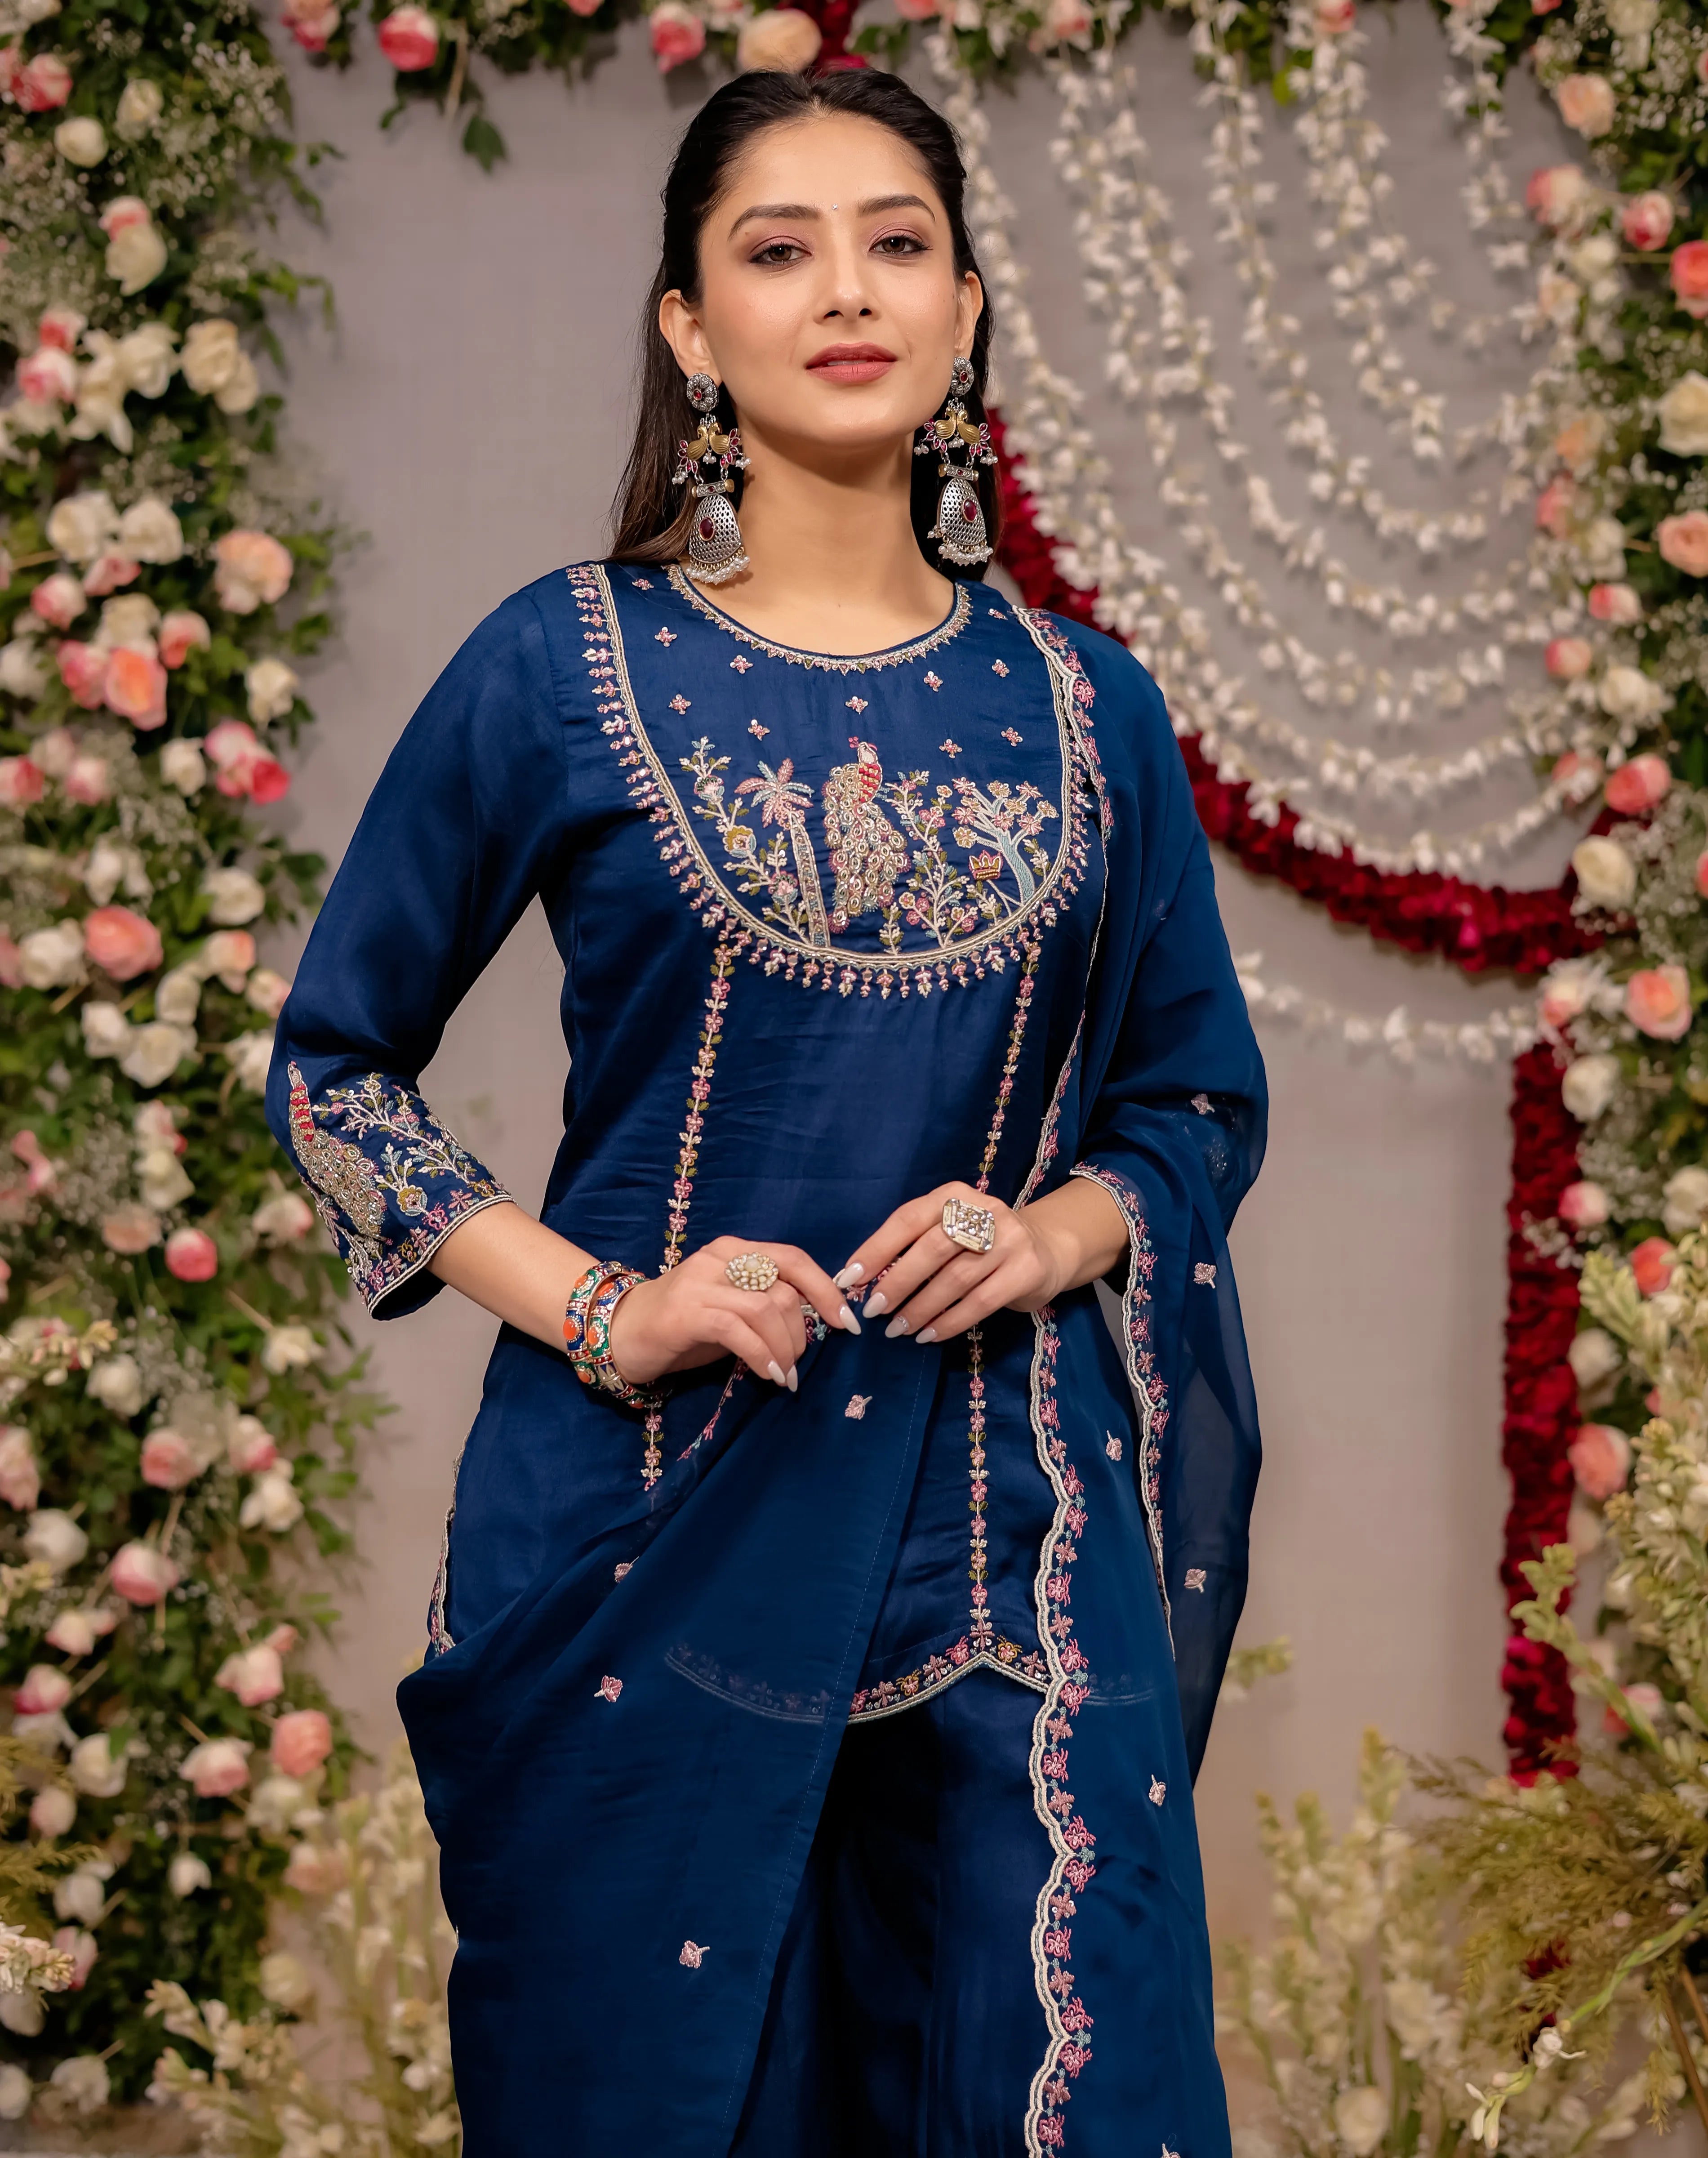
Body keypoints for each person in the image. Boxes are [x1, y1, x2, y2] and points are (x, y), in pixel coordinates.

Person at [264, 60, 1266, 2158]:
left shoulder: (1092, 709)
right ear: (685, 327)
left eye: (897, 241)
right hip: (648, 1526)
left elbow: (1187, 1099)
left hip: (1005, 1536)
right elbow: (335, 1076)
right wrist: (605, 1310)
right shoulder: (557, 663)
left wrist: (1042, 1233)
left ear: (967, 311)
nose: (847, 291)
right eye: (776, 247)